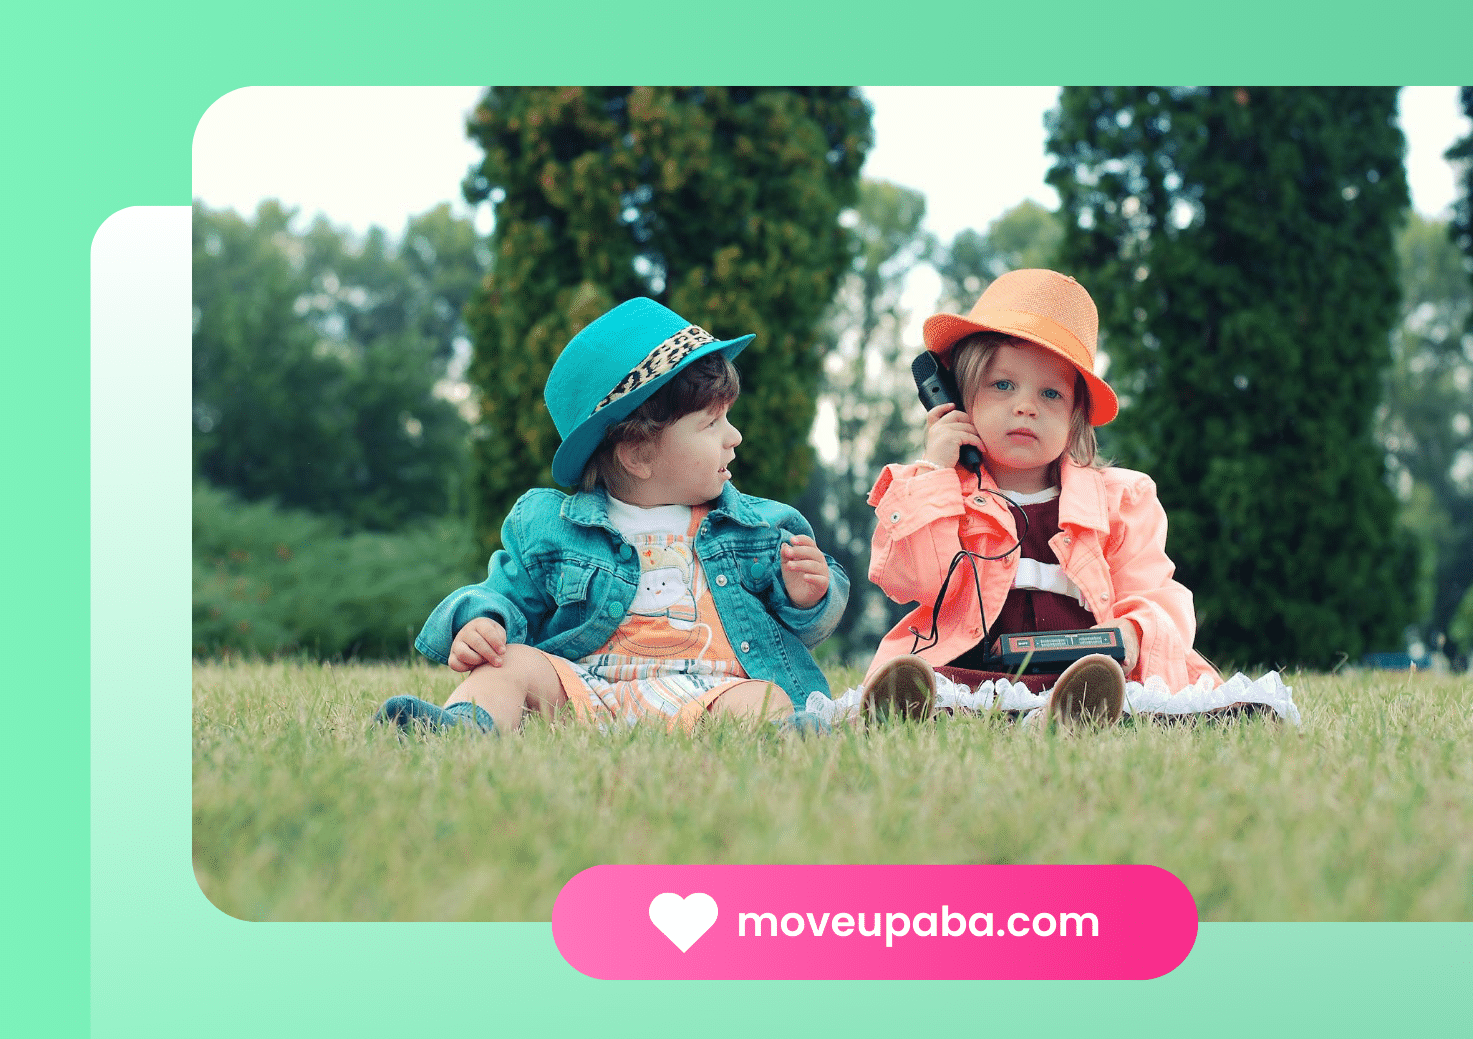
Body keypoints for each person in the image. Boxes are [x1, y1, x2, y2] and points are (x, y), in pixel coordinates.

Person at [376, 298, 847, 734]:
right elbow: (504, 592)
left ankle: (788, 736)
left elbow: (806, 627)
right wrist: (483, 622)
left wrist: (806, 597)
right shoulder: (552, 528)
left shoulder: (755, 528)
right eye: (711, 423)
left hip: (709, 693)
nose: (735, 437)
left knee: (763, 698)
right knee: (508, 664)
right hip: (585, 690)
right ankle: (464, 726)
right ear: (638, 453)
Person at [859, 269, 1221, 726]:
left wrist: (1131, 632)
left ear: (1075, 417)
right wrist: (934, 474)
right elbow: (912, 580)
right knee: (942, 692)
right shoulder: (937, 490)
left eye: (1050, 393)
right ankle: (914, 708)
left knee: (1129, 696)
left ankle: (1071, 714)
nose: (1026, 406)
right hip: (973, 672)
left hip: (1082, 674)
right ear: (956, 398)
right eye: (1002, 385)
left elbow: (1155, 591)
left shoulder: (1119, 501)